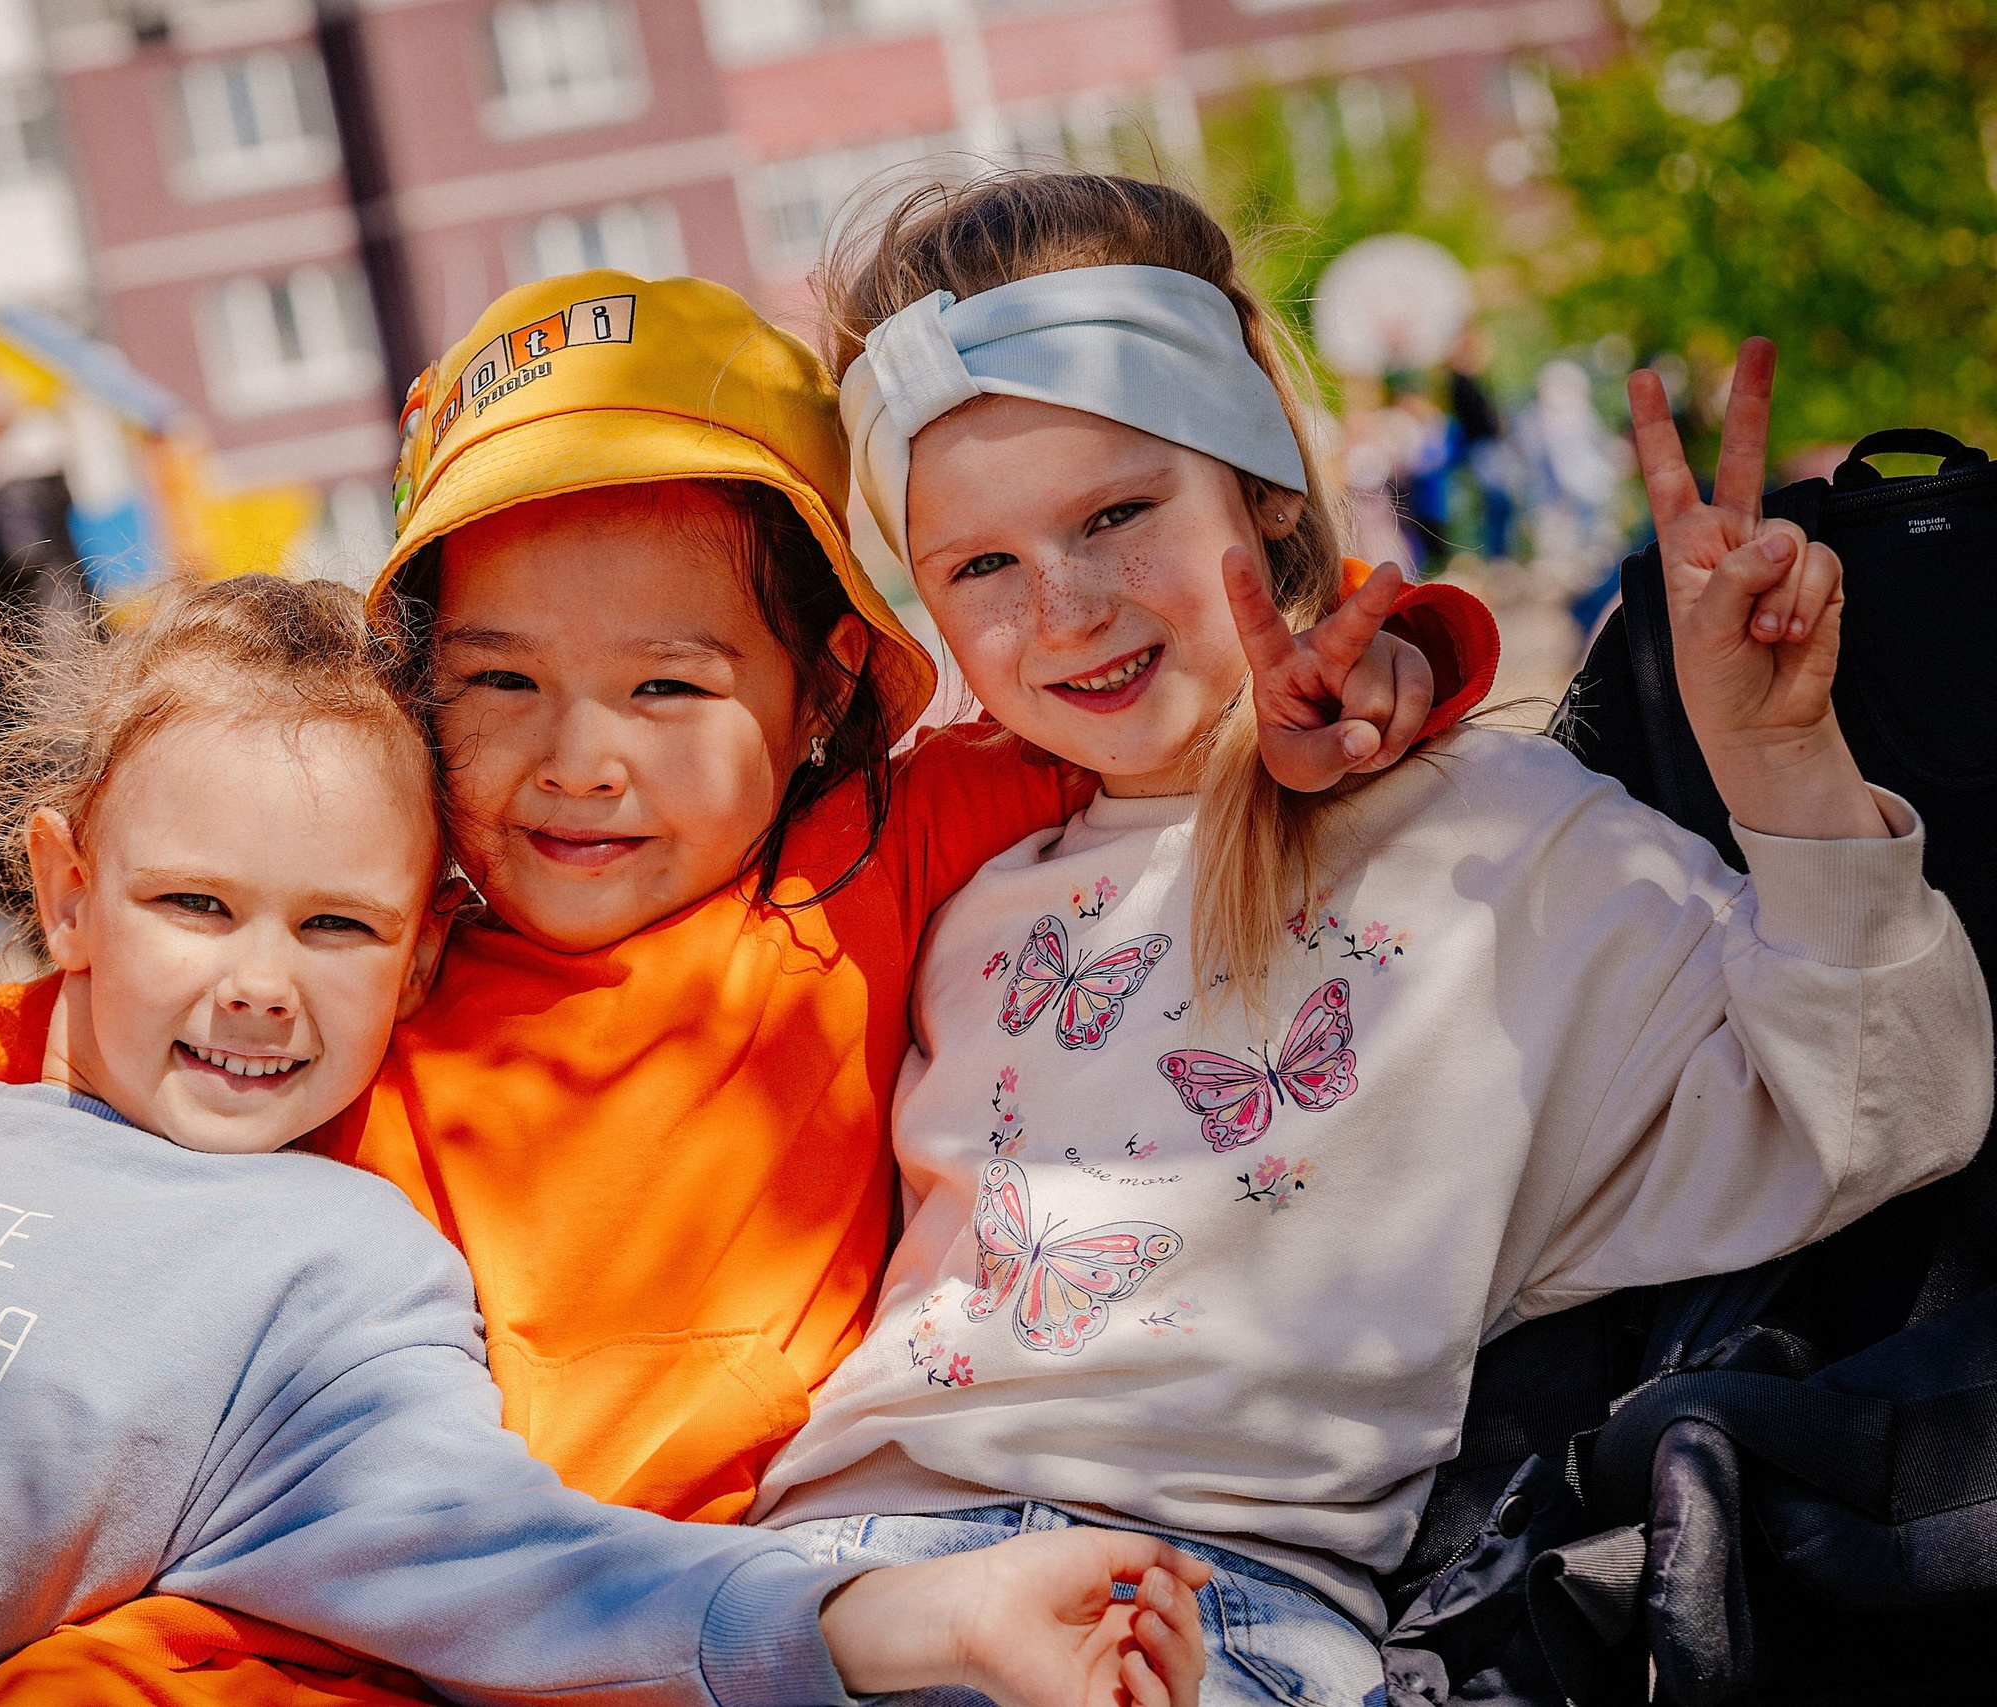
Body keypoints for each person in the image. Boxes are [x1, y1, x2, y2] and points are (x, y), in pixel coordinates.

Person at [0, 271, 1500, 1702]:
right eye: (501, 682)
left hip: (686, 1618)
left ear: (834, 689)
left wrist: (1385, 663)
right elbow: (46, 1020)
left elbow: (1184, 665)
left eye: (671, 686)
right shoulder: (384, 940)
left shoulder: (865, 859)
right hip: (316, 1606)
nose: (579, 759)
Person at [0, 574, 1208, 1707]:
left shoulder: (334, 1270)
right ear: (67, 892)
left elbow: (521, 1562)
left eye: (338, 928)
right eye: (196, 904)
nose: (262, 987)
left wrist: (927, 1618)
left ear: (423, 947)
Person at [735, 171, 1992, 1705]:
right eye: (979, 566)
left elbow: (1888, 1113)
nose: (1060, 607)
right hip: (831, 1580)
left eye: (1118, 513)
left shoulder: (1496, 845)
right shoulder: (955, 863)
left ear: (1264, 491)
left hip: (1208, 1605)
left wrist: (1780, 771)